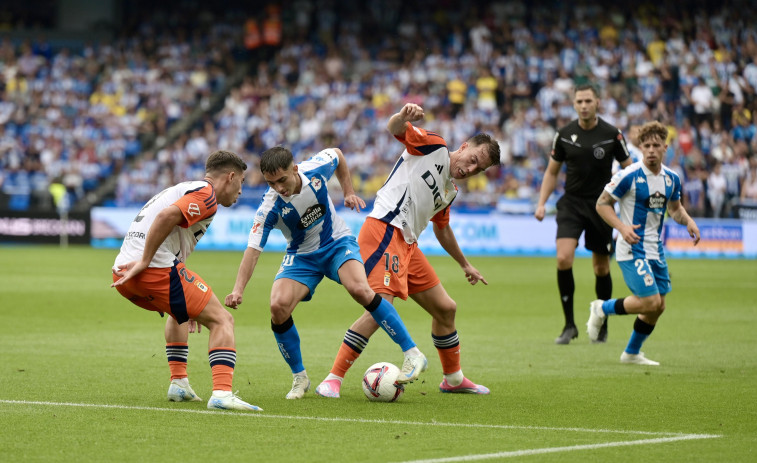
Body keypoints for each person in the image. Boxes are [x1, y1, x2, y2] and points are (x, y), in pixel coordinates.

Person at [315, 103, 501, 398]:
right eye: (473, 159)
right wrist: (402, 116)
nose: (471, 168)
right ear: (464, 146)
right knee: (381, 305)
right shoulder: (434, 147)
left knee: (446, 309)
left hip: (408, 245)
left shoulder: (450, 190)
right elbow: (395, 129)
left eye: (480, 168)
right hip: (384, 229)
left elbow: (442, 228)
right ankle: (333, 378)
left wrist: (464, 264)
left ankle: (453, 379)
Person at [224, 146, 427, 400]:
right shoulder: (269, 208)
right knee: (278, 306)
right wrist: (238, 289)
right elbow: (253, 249)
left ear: (295, 169)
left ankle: (412, 353)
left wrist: (349, 192)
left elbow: (339, 154)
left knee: (361, 290)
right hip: (301, 257)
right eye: (271, 183)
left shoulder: (316, 169)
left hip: (337, 243)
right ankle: (300, 378)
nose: (278, 187)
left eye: (282, 180)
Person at [111, 150, 262, 412]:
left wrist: (185, 300)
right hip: (148, 268)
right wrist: (146, 261)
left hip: (123, 273)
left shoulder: (185, 188)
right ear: (231, 176)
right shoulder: (207, 195)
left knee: (179, 314)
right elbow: (165, 217)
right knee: (222, 320)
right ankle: (222, 394)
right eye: (242, 182)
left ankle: (179, 384)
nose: (241, 191)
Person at [589, 120, 700, 365]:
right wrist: (621, 227)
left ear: (665, 148)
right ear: (640, 147)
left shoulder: (672, 178)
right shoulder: (628, 176)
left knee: (658, 307)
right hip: (631, 247)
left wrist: (688, 221)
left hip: (655, 250)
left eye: (656, 145)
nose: (650, 150)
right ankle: (601, 308)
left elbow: (676, 209)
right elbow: (602, 204)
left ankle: (631, 353)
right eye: (646, 145)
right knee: (650, 301)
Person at [534, 83, 633, 345]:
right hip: (571, 204)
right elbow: (552, 172)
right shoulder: (564, 134)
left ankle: (601, 322)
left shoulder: (612, 134)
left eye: (588, 101)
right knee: (563, 258)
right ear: (574, 104)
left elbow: (628, 170)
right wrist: (542, 203)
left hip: (601, 205)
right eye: (579, 101)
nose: (584, 105)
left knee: (600, 267)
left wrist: (628, 203)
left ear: (598, 102)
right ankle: (569, 326)